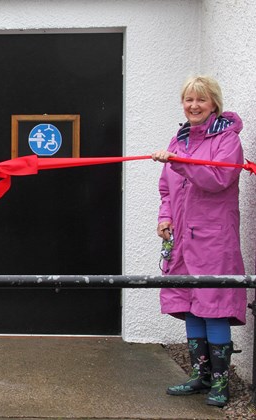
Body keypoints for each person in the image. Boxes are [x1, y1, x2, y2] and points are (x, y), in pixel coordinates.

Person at [151, 75, 246, 407]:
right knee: (191, 303)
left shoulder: (227, 141)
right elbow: (167, 187)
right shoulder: (180, 139)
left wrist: (178, 163)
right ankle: (200, 376)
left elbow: (218, 179)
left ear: (214, 104)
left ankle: (220, 383)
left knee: (213, 306)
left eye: (201, 100)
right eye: (188, 100)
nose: (193, 106)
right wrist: (165, 217)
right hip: (181, 237)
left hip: (213, 239)